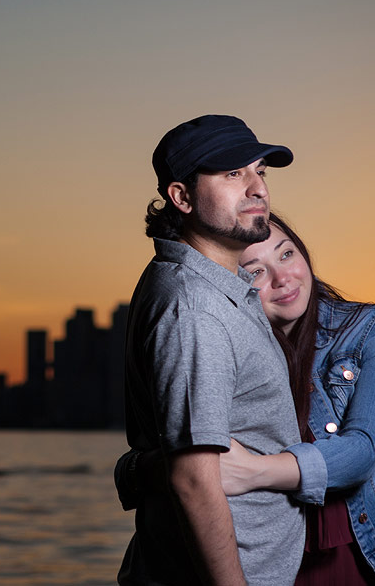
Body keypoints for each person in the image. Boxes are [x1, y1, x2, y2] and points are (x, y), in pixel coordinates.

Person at [117, 212, 375, 584]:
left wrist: (251, 472)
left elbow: (362, 451)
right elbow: (183, 456)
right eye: (256, 271)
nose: (283, 279)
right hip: (261, 559)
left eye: (286, 254)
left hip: (362, 555)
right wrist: (158, 469)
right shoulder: (216, 338)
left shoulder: (371, 330)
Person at [119, 114, 307, 586]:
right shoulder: (195, 308)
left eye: (259, 170)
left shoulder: (222, 286)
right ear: (180, 197)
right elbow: (192, 477)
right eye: (232, 174)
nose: (258, 187)